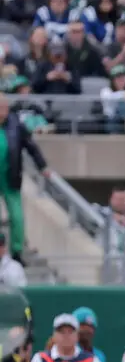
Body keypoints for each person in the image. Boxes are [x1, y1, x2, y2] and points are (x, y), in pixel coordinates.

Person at [0, 93, 50, 262]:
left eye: (5, 108)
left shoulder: (15, 124)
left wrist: (42, 165)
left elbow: (31, 146)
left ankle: (16, 251)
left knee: (17, 216)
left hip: (9, 175)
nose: (3, 111)